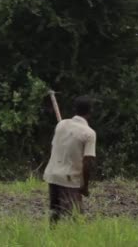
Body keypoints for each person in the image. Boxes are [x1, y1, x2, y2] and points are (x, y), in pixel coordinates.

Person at [43, 96, 96, 224]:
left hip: (52, 175)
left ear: (74, 109)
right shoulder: (89, 133)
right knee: (76, 217)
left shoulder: (61, 124)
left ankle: (51, 237)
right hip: (69, 178)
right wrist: (85, 186)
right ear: (90, 112)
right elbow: (87, 162)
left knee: (55, 213)